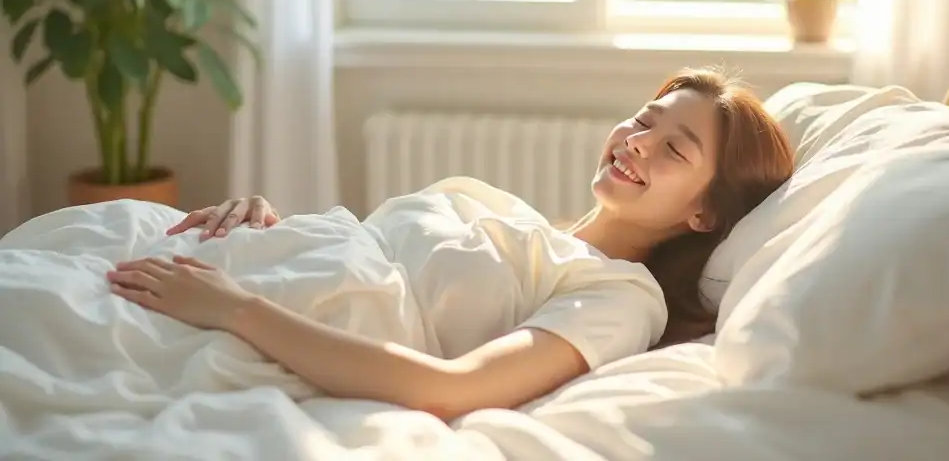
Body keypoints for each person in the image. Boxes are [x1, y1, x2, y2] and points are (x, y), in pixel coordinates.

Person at [106, 70, 795, 421]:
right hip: (232, 265)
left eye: (673, 147)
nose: (637, 140)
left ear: (704, 214)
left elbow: (451, 389)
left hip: (244, 323)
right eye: (644, 120)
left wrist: (235, 308)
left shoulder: (619, 296)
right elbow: (371, 252)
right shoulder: (516, 220)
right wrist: (271, 223)